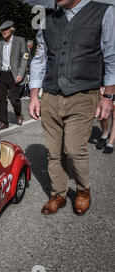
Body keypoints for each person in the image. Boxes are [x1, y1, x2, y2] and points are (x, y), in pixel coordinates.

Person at [29, 0, 115, 216]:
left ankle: (83, 190)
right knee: (54, 151)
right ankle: (58, 192)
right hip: (50, 94)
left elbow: (111, 57)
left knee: (75, 149)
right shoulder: (45, 19)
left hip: (83, 94)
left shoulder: (105, 12)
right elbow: (39, 58)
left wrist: (109, 95)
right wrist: (34, 95)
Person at [0, 21, 29, 130]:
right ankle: (4, 122)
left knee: (14, 98)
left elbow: (25, 57)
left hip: (15, 75)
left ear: (11, 30)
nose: (4, 32)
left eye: (6, 29)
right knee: (2, 99)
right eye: (2, 30)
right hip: (2, 74)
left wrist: (21, 74)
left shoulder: (20, 40)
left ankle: (18, 113)